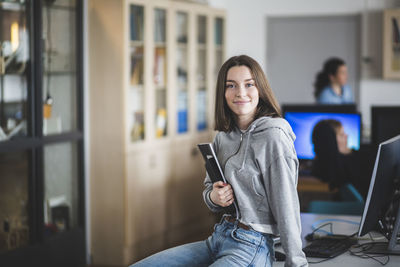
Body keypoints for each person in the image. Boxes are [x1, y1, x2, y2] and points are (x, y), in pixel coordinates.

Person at [130, 55, 308, 267]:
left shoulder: (274, 136)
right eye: (231, 85)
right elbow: (209, 191)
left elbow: (286, 204)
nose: (240, 92)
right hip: (218, 238)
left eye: (249, 84)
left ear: (260, 89)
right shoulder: (223, 138)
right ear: (223, 93)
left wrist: (296, 262)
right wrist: (215, 196)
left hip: (253, 245)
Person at [311, 119, 374, 197]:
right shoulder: (343, 165)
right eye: (341, 134)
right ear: (330, 140)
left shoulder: (357, 157)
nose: (346, 136)